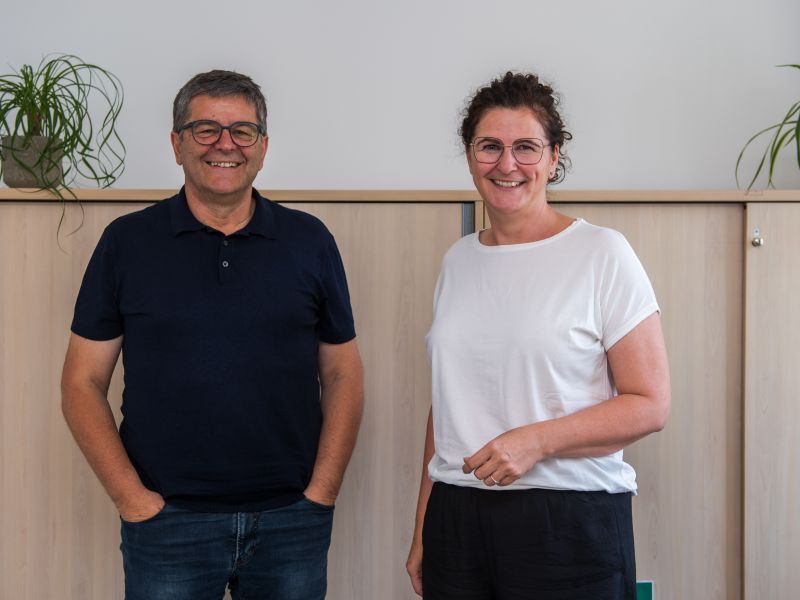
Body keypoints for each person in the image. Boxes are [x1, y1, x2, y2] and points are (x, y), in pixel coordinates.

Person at [61, 69, 363, 600]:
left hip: (291, 522)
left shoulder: (309, 241)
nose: (225, 144)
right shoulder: (126, 243)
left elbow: (343, 373)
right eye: (205, 129)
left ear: (262, 147)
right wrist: (132, 499)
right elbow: (81, 382)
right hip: (167, 524)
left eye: (242, 131)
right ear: (176, 144)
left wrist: (323, 491)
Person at [406, 71, 670, 600]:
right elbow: (449, 406)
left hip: (568, 523)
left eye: (525, 147)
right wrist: (422, 529)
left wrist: (535, 441)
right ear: (470, 156)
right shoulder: (458, 261)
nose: (507, 164)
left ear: (553, 158)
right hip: (457, 520)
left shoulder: (602, 253)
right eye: (490, 147)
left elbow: (650, 404)